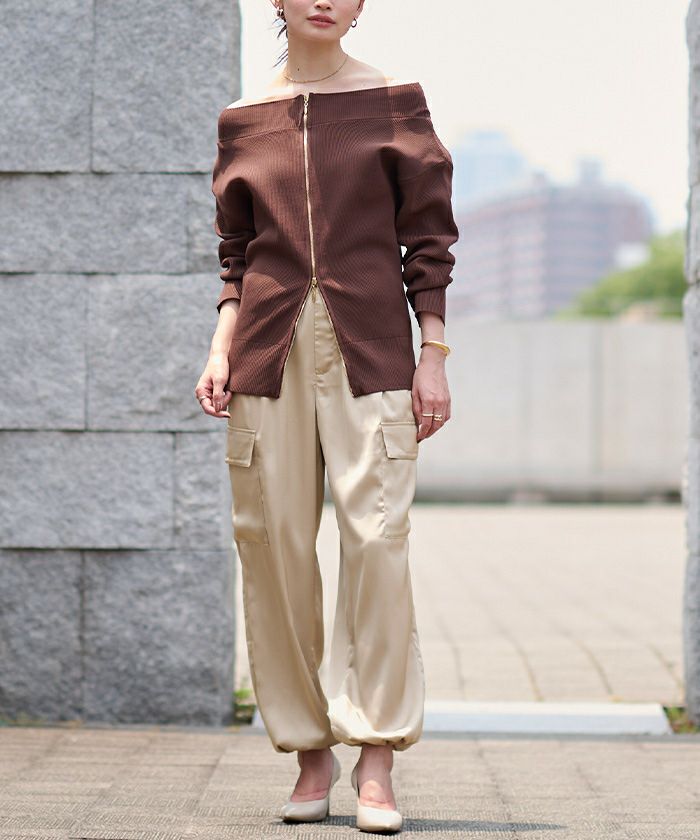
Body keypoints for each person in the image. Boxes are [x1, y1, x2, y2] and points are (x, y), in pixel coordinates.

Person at [194, 0, 459, 833]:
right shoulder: (244, 117)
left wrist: (433, 354)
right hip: (263, 356)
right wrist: (219, 348)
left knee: (377, 541)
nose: (324, 0)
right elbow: (238, 255)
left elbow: (428, 241)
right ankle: (311, 751)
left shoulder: (394, 101)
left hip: (371, 352)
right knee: (272, 549)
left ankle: (375, 752)